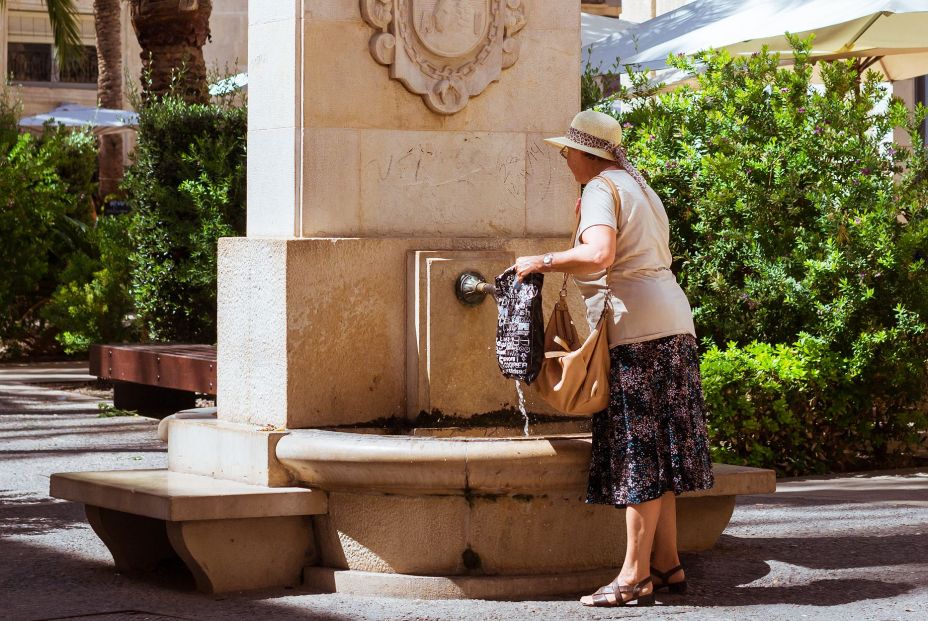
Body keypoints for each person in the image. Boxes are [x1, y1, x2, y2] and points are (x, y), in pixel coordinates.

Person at [514, 110, 715, 608]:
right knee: (661, 450)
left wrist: (541, 261)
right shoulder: (640, 186)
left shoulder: (602, 188)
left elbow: (600, 254)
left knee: (638, 452)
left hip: (637, 332)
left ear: (587, 153)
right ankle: (666, 564)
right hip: (673, 324)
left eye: (568, 151)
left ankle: (632, 577)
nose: (565, 159)